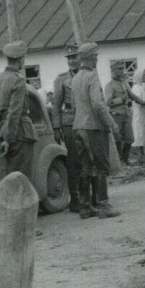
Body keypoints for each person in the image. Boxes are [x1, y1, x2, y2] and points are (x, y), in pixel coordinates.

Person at [71, 42, 121, 219]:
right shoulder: (92, 76)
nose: (97, 60)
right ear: (93, 58)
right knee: (100, 165)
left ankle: (85, 207)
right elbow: (98, 104)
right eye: (96, 57)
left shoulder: (76, 77)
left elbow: (75, 104)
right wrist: (112, 124)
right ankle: (103, 205)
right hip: (93, 127)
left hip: (78, 126)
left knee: (86, 166)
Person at [0, 40, 38, 182]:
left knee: (11, 177)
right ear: (20, 59)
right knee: (23, 179)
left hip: (5, 132)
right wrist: (8, 139)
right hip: (19, 133)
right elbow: (14, 112)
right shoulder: (18, 80)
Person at [50, 43, 82, 212]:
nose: (71, 61)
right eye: (69, 58)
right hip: (70, 123)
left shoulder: (87, 75)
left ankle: (88, 196)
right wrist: (56, 128)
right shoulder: (62, 79)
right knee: (74, 160)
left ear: (80, 57)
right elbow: (56, 105)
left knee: (88, 159)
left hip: (87, 121)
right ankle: (75, 199)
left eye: (74, 57)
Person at [105, 62, 145, 165]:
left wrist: (143, 102)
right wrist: (121, 99)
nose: (122, 71)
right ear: (113, 71)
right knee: (118, 139)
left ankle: (125, 159)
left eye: (122, 69)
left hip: (126, 114)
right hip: (116, 115)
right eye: (119, 69)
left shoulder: (124, 83)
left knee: (130, 138)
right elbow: (108, 102)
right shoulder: (109, 86)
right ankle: (121, 161)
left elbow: (131, 95)